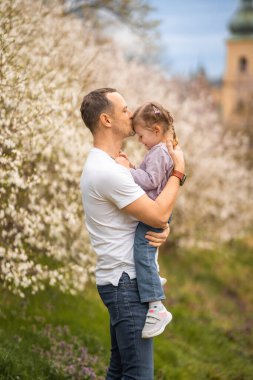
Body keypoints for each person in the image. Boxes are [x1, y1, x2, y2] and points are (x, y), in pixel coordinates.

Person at [80, 88, 185, 380]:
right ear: (106, 120)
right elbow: (158, 212)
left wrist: (162, 228)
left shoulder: (109, 166)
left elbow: (151, 214)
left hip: (120, 280)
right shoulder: (110, 172)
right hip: (126, 283)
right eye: (124, 109)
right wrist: (179, 173)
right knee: (139, 375)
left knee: (120, 370)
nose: (131, 113)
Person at [115, 102, 182, 339]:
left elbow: (151, 181)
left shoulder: (158, 153)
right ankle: (152, 274)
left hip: (155, 209)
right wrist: (133, 166)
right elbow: (150, 177)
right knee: (146, 250)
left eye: (141, 135)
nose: (140, 140)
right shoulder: (161, 151)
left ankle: (156, 307)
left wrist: (125, 170)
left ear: (155, 130)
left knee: (141, 253)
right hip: (158, 207)